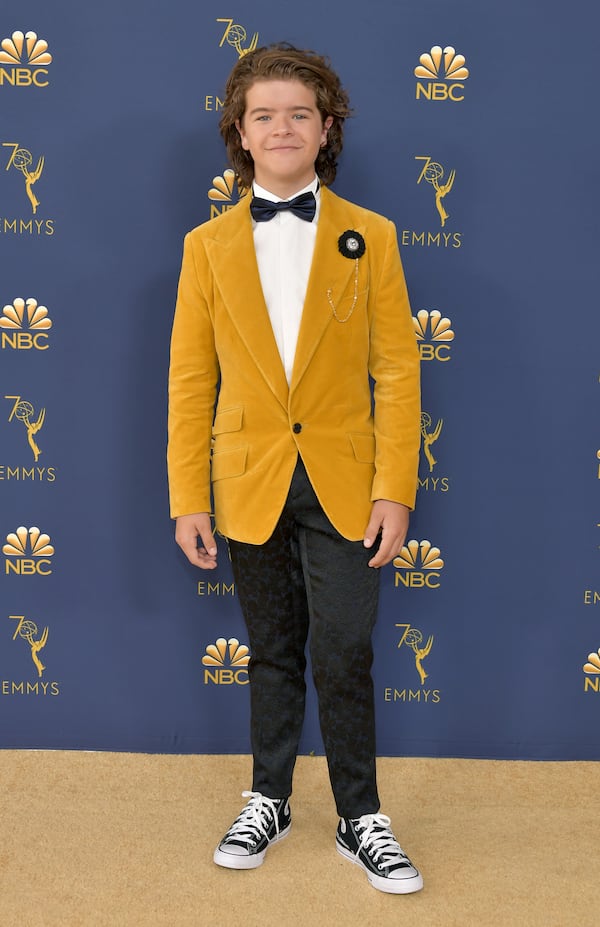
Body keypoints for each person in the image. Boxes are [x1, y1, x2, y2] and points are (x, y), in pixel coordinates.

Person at [167, 43, 422, 895]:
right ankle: (269, 795)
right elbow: (190, 379)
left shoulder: (371, 236)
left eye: (299, 114)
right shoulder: (205, 247)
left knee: (345, 644)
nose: (282, 127)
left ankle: (361, 816)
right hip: (248, 477)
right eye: (264, 114)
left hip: (346, 479)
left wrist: (395, 486)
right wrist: (186, 497)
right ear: (240, 133)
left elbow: (397, 369)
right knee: (272, 649)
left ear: (326, 129)